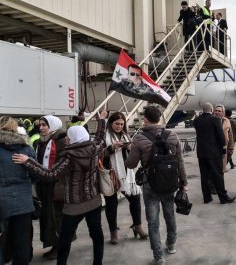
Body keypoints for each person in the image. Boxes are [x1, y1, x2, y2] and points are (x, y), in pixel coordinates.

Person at [12, 111, 108, 265]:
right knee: (96, 234)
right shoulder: (95, 148)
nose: (67, 138)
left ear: (75, 138)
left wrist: (28, 161)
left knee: (64, 239)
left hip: (74, 205)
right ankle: (98, 262)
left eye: (70, 136)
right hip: (94, 200)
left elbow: (50, 174)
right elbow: (101, 138)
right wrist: (102, 120)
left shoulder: (70, 157)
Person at [125, 106, 188, 265]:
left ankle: (158, 256)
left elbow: (131, 164)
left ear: (145, 119)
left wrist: (130, 150)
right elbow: (180, 162)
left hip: (150, 185)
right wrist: (184, 182)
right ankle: (171, 244)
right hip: (169, 183)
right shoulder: (172, 135)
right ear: (160, 118)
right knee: (170, 215)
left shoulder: (139, 138)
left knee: (153, 222)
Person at [103, 112, 148, 245]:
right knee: (111, 204)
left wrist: (129, 148)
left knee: (135, 198)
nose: (119, 126)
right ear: (111, 123)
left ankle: (137, 226)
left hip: (127, 174)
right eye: (117, 123)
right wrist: (111, 148)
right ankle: (113, 233)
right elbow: (98, 155)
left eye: (122, 124)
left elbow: (131, 155)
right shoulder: (104, 137)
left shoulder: (125, 135)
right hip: (111, 175)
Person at [0, 116, 36, 264]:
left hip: (2, 204)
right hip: (24, 204)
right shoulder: (27, 149)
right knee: (22, 242)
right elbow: (36, 174)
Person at [35, 115, 67, 259]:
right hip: (45, 185)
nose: (40, 128)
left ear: (52, 126)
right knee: (49, 217)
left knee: (56, 218)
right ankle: (55, 245)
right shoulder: (43, 141)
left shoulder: (60, 141)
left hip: (55, 186)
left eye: (44, 125)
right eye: (40, 125)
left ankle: (60, 246)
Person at [194, 102, 236, 204]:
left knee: (204, 176)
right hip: (214, 153)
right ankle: (223, 197)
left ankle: (207, 197)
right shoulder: (215, 119)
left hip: (201, 153)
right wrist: (223, 150)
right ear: (212, 110)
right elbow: (221, 136)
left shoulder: (196, 120)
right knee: (218, 175)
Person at [214, 104, 234, 172]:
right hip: (213, 149)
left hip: (223, 149)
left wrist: (231, 147)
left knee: (222, 170)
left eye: (219, 111)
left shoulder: (227, 121)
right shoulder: (211, 120)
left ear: (223, 112)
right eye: (215, 110)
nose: (217, 112)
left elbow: (230, 134)